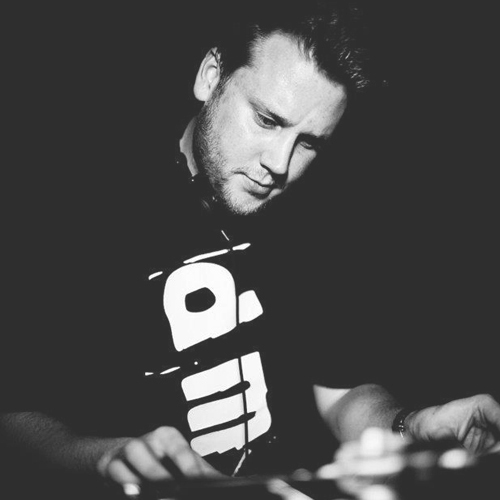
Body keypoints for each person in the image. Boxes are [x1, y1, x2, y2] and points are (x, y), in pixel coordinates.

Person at [1, 1, 499, 499]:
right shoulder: (76, 207)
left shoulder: (320, 217)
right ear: (210, 76)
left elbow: (341, 394)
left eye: (309, 143)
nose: (280, 164)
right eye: (266, 120)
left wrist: (414, 426)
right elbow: (16, 414)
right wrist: (105, 458)